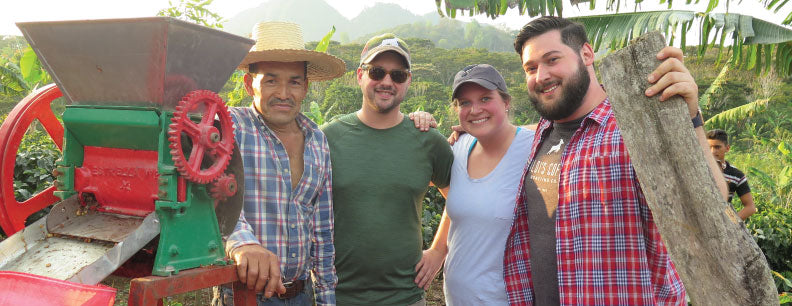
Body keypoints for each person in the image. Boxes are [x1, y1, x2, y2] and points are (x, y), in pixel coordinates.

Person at [503, 16, 729, 305]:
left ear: (586, 54)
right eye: (530, 68)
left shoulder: (635, 126)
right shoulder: (543, 133)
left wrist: (692, 118)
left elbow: (711, 201)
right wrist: (470, 132)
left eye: (552, 60)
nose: (541, 75)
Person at [214, 21, 346, 306]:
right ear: (250, 85)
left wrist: (326, 298)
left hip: (302, 294)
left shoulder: (317, 140)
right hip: (243, 293)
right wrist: (242, 242)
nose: (284, 93)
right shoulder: (230, 127)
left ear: (305, 87)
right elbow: (208, 194)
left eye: (294, 81)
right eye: (271, 80)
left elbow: (322, 230)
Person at [321, 33, 454, 306]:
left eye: (398, 75)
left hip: (406, 296)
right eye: (377, 72)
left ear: (408, 82)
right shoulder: (328, 138)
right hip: (337, 296)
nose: (386, 82)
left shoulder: (428, 141)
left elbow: (460, 197)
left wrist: (439, 250)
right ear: (360, 75)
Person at [413, 64, 534, 305]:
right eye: (464, 102)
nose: (475, 109)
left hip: (508, 298)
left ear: (506, 101)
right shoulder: (458, 147)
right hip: (457, 297)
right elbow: (458, 200)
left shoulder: (534, 148)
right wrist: (438, 250)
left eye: (485, 98)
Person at [707, 129, 757, 220]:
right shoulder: (700, 168)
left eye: (717, 147)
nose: (712, 151)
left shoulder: (736, 175)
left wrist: (732, 222)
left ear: (727, 148)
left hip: (722, 220)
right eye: (709, 147)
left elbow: (750, 207)